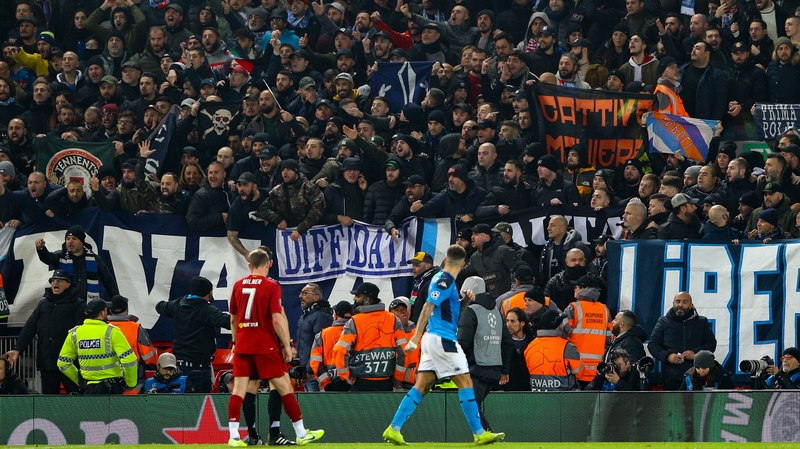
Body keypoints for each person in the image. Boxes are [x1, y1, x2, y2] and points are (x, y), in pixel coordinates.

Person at [383, 245, 505, 446]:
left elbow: (448, 312)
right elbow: (428, 306)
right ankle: (479, 433)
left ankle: (393, 428)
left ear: (446, 260)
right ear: (463, 264)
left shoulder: (444, 280)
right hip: (443, 339)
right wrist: (415, 337)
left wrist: (465, 302)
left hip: (434, 338)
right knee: (466, 382)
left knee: (422, 386)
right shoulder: (445, 279)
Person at [226, 248, 324, 447]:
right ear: (268, 264)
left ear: (249, 265)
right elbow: (278, 318)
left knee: (239, 390)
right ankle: (301, 433)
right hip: (264, 345)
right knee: (284, 387)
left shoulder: (238, 285)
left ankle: (234, 437)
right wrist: (287, 345)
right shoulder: (271, 286)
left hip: (243, 345)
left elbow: (234, 319)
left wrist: (235, 342)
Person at [4, 269, 86, 394]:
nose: (55, 283)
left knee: (76, 395)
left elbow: (81, 331)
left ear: (68, 284)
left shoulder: (78, 304)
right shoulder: (43, 304)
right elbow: (29, 327)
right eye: (53, 281)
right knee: (49, 399)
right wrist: (17, 349)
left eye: (59, 280)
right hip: (47, 361)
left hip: (70, 362)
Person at [155, 276, 231, 393]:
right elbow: (228, 322)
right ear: (207, 292)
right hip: (199, 368)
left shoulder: (178, 304)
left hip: (178, 367)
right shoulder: (207, 309)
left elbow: (159, 306)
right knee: (199, 403)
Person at [334, 282, 406, 391]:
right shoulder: (393, 319)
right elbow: (404, 350)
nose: (354, 299)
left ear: (367, 300)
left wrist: (345, 375)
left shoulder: (354, 322)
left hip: (360, 383)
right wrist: (399, 377)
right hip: (385, 382)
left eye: (357, 296)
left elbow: (340, 349)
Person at [57, 298, 138, 395]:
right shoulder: (112, 332)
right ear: (102, 313)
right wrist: (130, 383)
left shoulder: (75, 333)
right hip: (111, 389)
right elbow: (129, 360)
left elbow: (63, 363)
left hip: (88, 389)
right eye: (106, 310)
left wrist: (80, 381)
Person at [457, 291, 513, 431]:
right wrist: (504, 369)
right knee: (473, 405)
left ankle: (485, 434)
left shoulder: (470, 312)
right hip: (494, 368)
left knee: (471, 405)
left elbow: (463, 342)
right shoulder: (496, 312)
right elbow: (508, 343)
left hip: (477, 368)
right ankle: (484, 435)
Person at [648, 292, 717, 390]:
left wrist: (695, 354)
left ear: (691, 305)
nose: (680, 305)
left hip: (697, 377)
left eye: (684, 302)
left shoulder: (701, 322)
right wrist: (668, 356)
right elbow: (653, 345)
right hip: (671, 378)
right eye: (678, 301)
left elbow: (711, 344)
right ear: (673, 303)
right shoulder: (663, 322)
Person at [35, 225, 119, 302]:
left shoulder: (94, 259)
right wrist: (41, 249)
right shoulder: (60, 256)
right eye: (68, 238)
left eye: (74, 238)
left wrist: (117, 300)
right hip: (65, 305)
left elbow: (108, 281)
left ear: (82, 242)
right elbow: (47, 258)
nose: (70, 241)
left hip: (88, 306)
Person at [564, 275, 611, 387]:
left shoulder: (573, 308)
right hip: (598, 371)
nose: (574, 290)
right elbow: (609, 339)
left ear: (583, 288)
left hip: (576, 369)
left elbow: (562, 332)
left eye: (576, 287)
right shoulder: (605, 310)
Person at [107, 294, 157, 394]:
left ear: (110, 311)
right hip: (134, 387)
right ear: (127, 309)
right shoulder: (136, 328)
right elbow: (149, 359)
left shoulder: (103, 328)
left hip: (108, 385)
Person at [524, 309, 583, 391]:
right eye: (561, 322)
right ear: (557, 326)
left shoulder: (530, 347)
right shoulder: (567, 347)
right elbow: (580, 373)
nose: (563, 325)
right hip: (564, 396)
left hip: (537, 396)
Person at [458, 223, 519, 299]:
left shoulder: (503, 251)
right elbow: (462, 274)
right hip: (492, 302)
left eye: (476, 234)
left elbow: (520, 271)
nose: (472, 237)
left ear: (486, 237)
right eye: (472, 234)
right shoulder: (475, 257)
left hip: (511, 299)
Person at [309, 301, 354, 392]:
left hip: (330, 384)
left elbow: (316, 362)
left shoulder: (322, 335)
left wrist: (327, 384)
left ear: (335, 315)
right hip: (353, 383)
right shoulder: (358, 332)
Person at [296, 283, 333, 392]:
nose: (300, 296)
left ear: (316, 297)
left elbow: (319, 346)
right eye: (301, 293)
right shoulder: (305, 316)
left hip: (316, 373)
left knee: (318, 402)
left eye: (305, 293)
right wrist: (300, 369)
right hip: (307, 372)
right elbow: (303, 345)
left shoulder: (321, 316)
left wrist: (309, 370)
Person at [389, 297, 420, 391]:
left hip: (416, 384)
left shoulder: (417, 333)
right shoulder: (388, 334)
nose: (402, 312)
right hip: (396, 384)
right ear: (390, 314)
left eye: (404, 309)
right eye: (397, 310)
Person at [504, 307, 534, 391]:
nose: (508, 325)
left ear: (522, 323)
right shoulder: (503, 343)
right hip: (510, 389)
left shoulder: (532, 342)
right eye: (507, 321)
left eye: (512, 321)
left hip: (529, 388)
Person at [407, 251, 441, 323]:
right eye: (413, 265)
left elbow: (430, 309)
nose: (413, 268)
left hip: (425, 326)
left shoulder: (432, 283)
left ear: (428, 266)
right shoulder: (420, 282)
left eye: (417, 265)